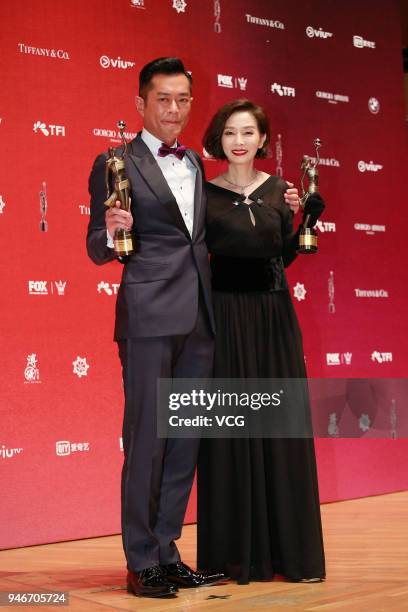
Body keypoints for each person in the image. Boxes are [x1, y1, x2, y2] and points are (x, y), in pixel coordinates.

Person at [87, 57, 225, 598]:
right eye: (163, 99)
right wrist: (110, 229)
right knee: (147, 440)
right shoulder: (114, 161)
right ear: (141, 103)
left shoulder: (194, 160)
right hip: (147, 318)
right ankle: (140, 560)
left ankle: (168, 551)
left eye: (183, 100)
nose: (174, 110)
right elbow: (97, 247)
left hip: (198, 318)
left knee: (184, 440)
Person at [197, 99, 326, 584]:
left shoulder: (280, 192)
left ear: (262, 140)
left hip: (273, 320)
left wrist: (306, 224)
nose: (239, 141)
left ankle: (290, 555)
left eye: (248, 132)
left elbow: (281, 257)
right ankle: (232, 556)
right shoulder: (203, 194)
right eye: (230, 132)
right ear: (218, 139)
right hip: (224, 320)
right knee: (229, 433)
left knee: (279, 431)